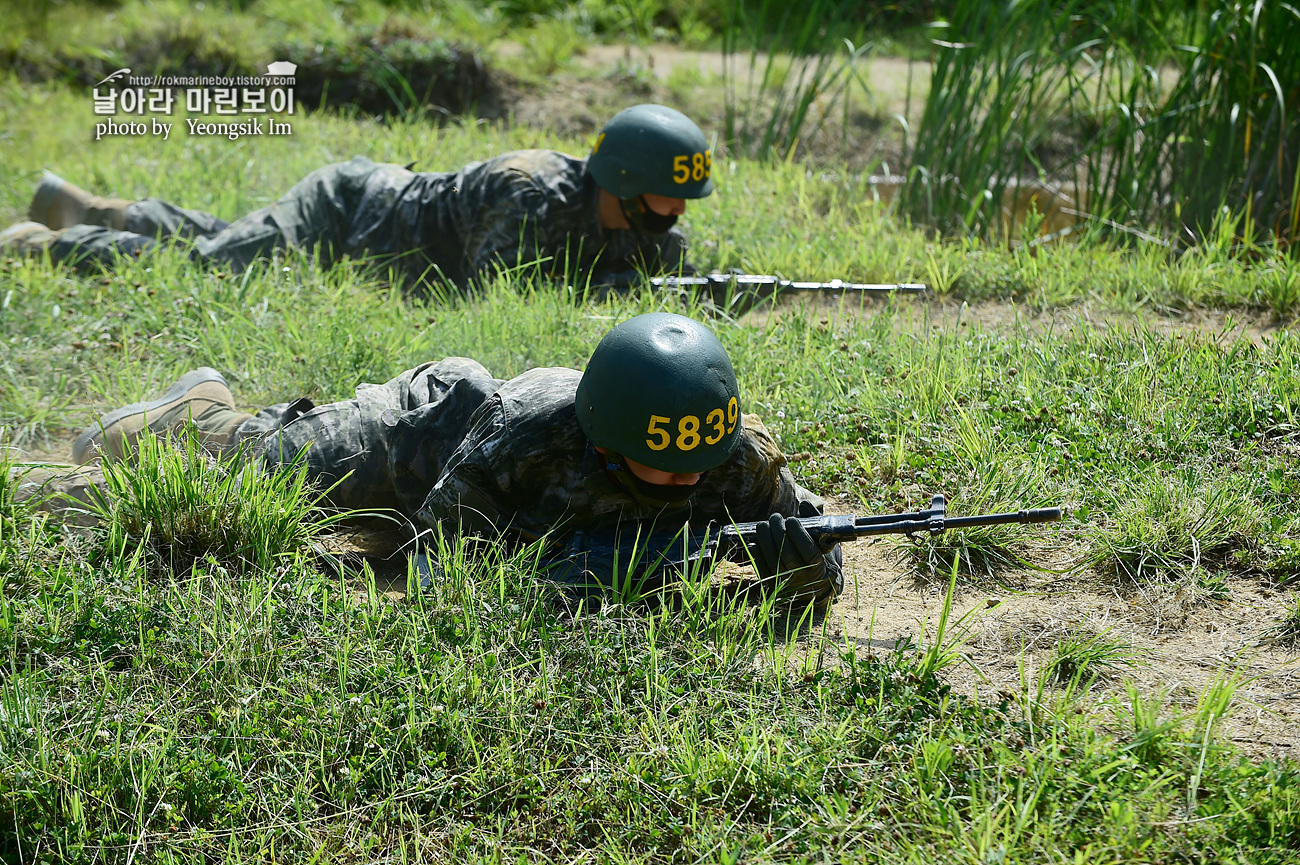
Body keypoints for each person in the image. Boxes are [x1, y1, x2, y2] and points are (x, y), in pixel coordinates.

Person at [25, 313, 843, 608]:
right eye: (663, 465)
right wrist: (619, 572)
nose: (690, 480)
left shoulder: (733, 451)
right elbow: (445, 572)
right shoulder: (527, 434)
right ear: (603, 438)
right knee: (263, 474)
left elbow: (822, 552)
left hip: (496, 491)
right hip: (431, 435)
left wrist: (794, 566)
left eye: (703, 459)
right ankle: (196, 416)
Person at [0, 104, 713, 291]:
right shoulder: (528, 191)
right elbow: (493, 290)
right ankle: (46, 246)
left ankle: (84, 207)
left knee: (228, 236)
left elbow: (664, 266)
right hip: (346, 212)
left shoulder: (648, 233)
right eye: (667, 196)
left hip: (362, 236)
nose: (676, 213)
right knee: (215, 267)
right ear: (622, 178)